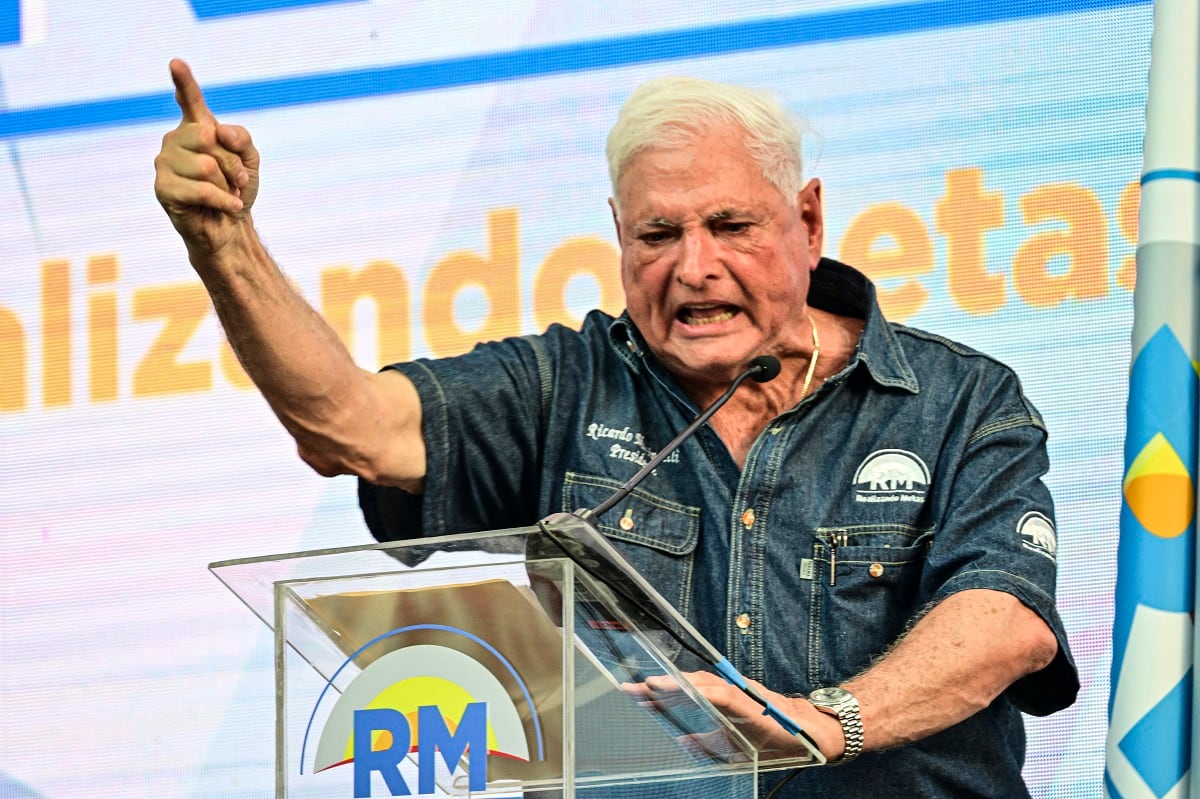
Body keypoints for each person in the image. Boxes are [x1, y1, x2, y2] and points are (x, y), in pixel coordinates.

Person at [155, 58, 1078, 797]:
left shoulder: (960, 400)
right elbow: (350, 426)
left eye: (729, 224)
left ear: (808, 220)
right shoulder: (561, 387)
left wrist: (822, 721)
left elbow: (1005, 621)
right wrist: (222, 242)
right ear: (618, 236)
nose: (694, 266)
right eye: (657, 235)